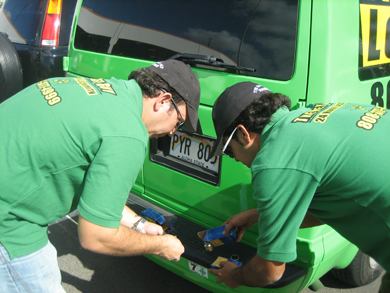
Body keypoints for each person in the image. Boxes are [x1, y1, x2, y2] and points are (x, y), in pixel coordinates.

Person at [0, 59, 201, 292]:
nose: (172, 131)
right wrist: (161, 245)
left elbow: (95, 193)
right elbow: (95, 236)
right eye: (178, 121)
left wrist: (139, 224)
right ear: (163, 101)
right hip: (9, 223)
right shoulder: (128, 135)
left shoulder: (91, 88)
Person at [207, 81, 390, 292]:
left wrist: (234, 275)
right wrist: (259, 215)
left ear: (242, 134)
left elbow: (268, 271)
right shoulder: (313, 112)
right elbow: (337, 206)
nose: (235, 159)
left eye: (228, 151)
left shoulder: (273, 161)